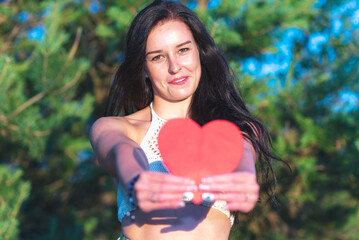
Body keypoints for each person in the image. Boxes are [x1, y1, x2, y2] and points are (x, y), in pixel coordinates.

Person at [90, 1, 283, 239]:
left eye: (183, 50)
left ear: (199, 51)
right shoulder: (116, 127)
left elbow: (242, 152)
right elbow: (122, 151)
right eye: (158, 57)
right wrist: (137, 179)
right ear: (143, 69)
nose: (175, 67)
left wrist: (243, 177)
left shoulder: (233, 129)